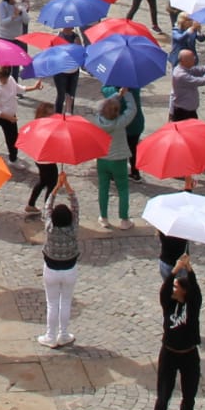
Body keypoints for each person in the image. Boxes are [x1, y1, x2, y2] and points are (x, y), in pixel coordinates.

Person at [152, 254, 202, 410]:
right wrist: (175, 270)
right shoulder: (169, 304)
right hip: (169, 353)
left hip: (189, 354)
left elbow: (196, 291)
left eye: (177, 287)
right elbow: (164, 290)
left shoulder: (192, 305)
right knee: (164, 394)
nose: (173, 289)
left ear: (184, 291)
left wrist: (189, 269)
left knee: (189, 394)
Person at [37, 173, 81, 348]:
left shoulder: (49, 226)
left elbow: (47, 206)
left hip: (51, 269)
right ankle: (63, 334)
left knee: (52, 303)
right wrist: (67, 185)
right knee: (66, 302)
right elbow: (76, 205)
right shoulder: (74, 226)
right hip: (70, 269)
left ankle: (50, 335)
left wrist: (56, 187)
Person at [89, 90, 135, 229]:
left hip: (102, 159)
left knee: (103, 188)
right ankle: (124, 220)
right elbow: (132, 108)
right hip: (119, 160)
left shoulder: (97, 120)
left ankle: (103, 217)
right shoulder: (121, 122)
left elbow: (101, 105)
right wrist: (126, 93)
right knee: (123, 189)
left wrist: (116, 94)